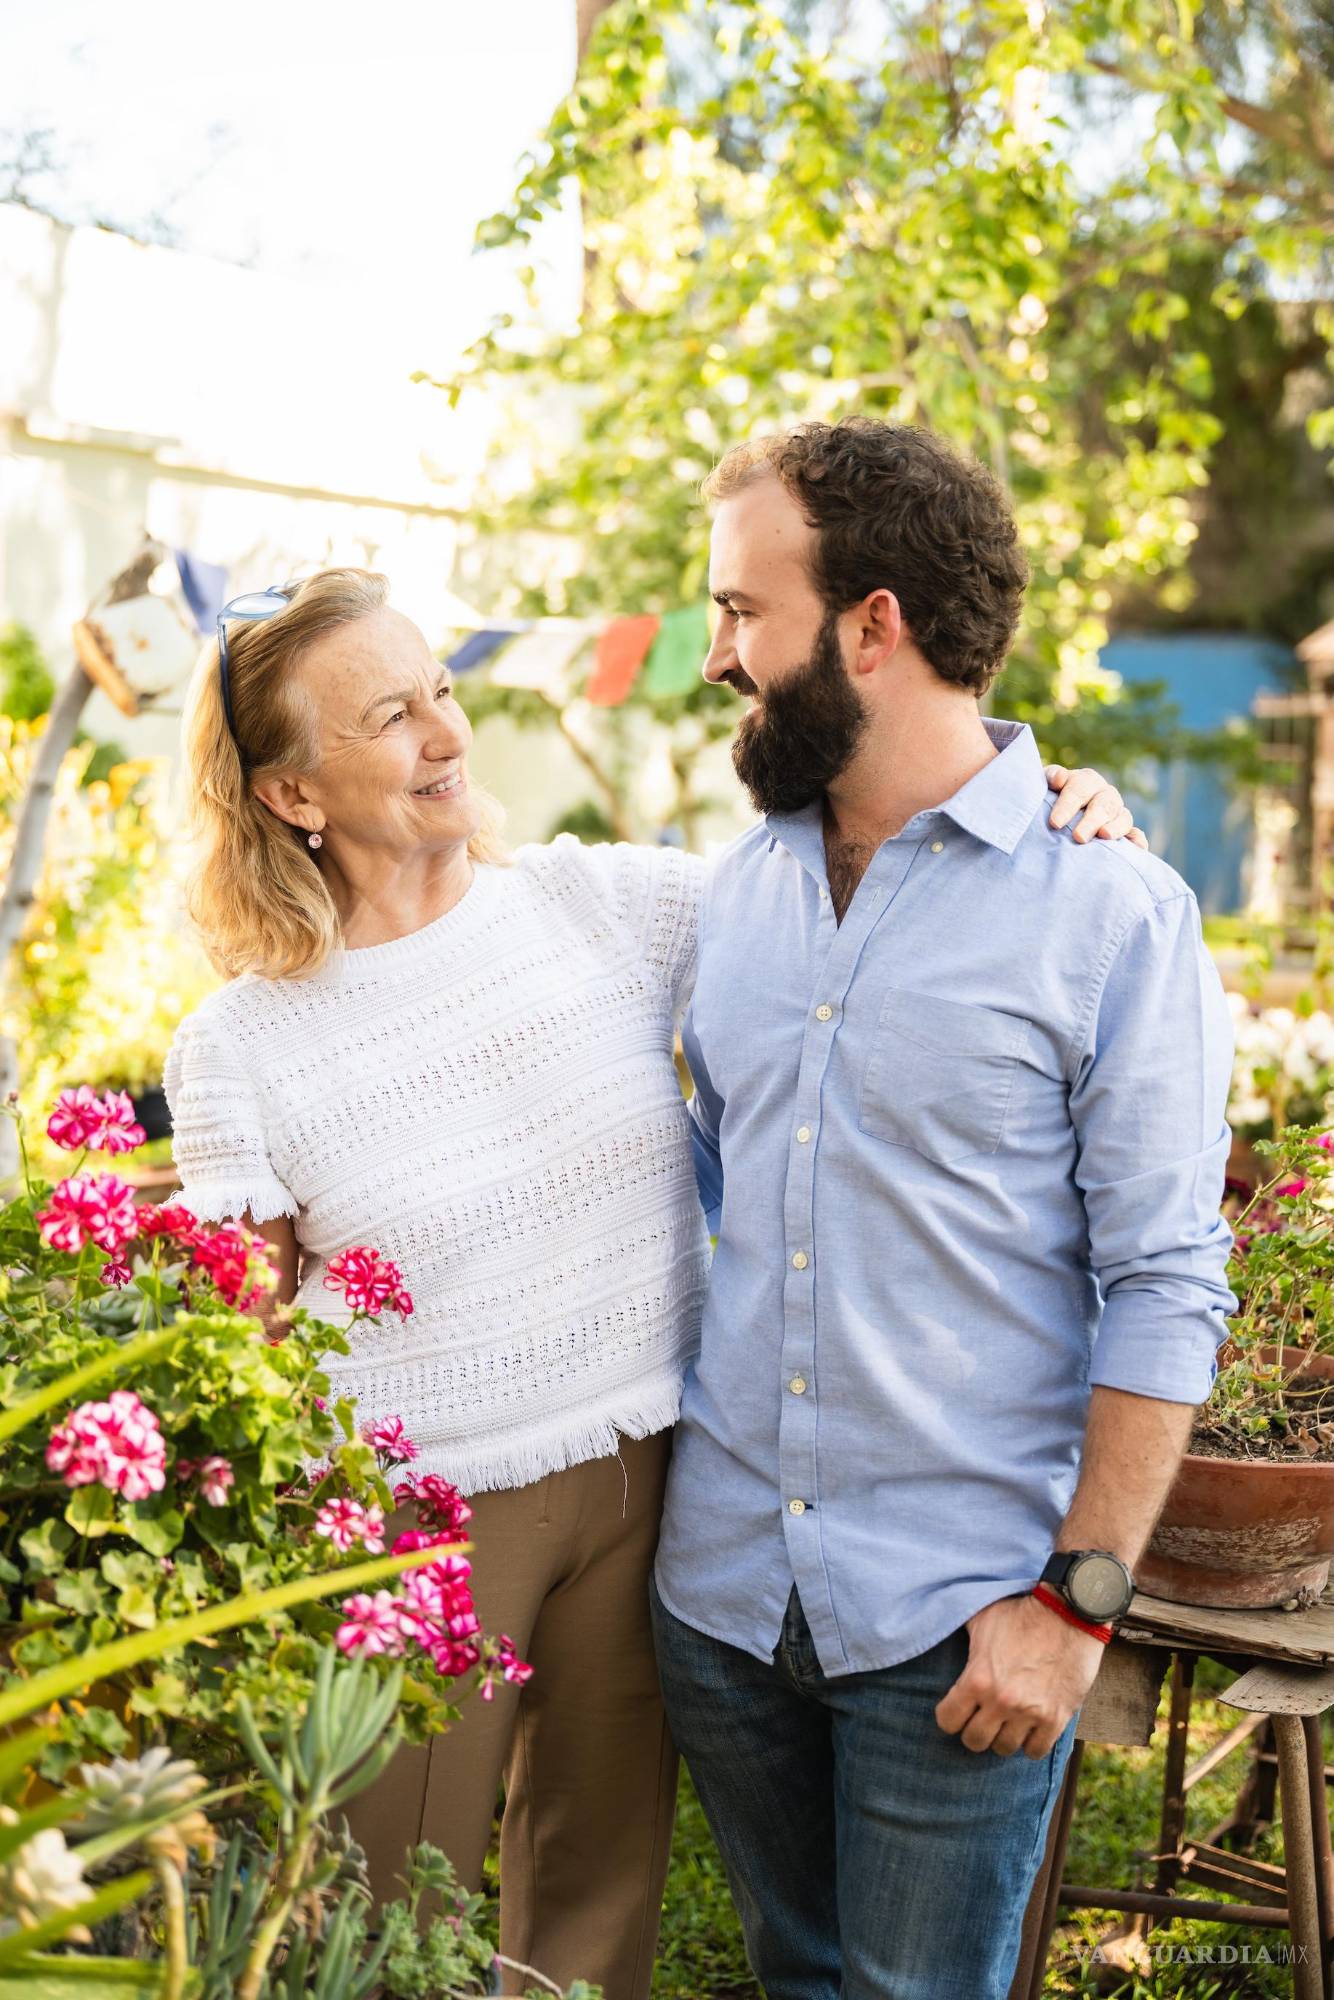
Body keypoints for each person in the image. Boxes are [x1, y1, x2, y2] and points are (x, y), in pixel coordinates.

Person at [164, 563, 1136, 1997]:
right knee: (374, 1910)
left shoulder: (598, 906)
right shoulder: (241, 1044)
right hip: (414, 1522)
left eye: (442, 691)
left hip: (646, 1487)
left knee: (594, 1906)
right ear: (292, 792)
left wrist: (1048, 802)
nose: (446, 735)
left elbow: (869, 882)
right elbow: (236, 1344)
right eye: (389, 717)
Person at [649, 419, 1236, 2000]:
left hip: (962, 1623)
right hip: (721, 1600)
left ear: (871, 625)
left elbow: (1166, 1281)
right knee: (792, 1975)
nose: (714, 656)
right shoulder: (727, 894)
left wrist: (1076, 1611)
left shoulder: (1107, 910)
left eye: (740, 611)